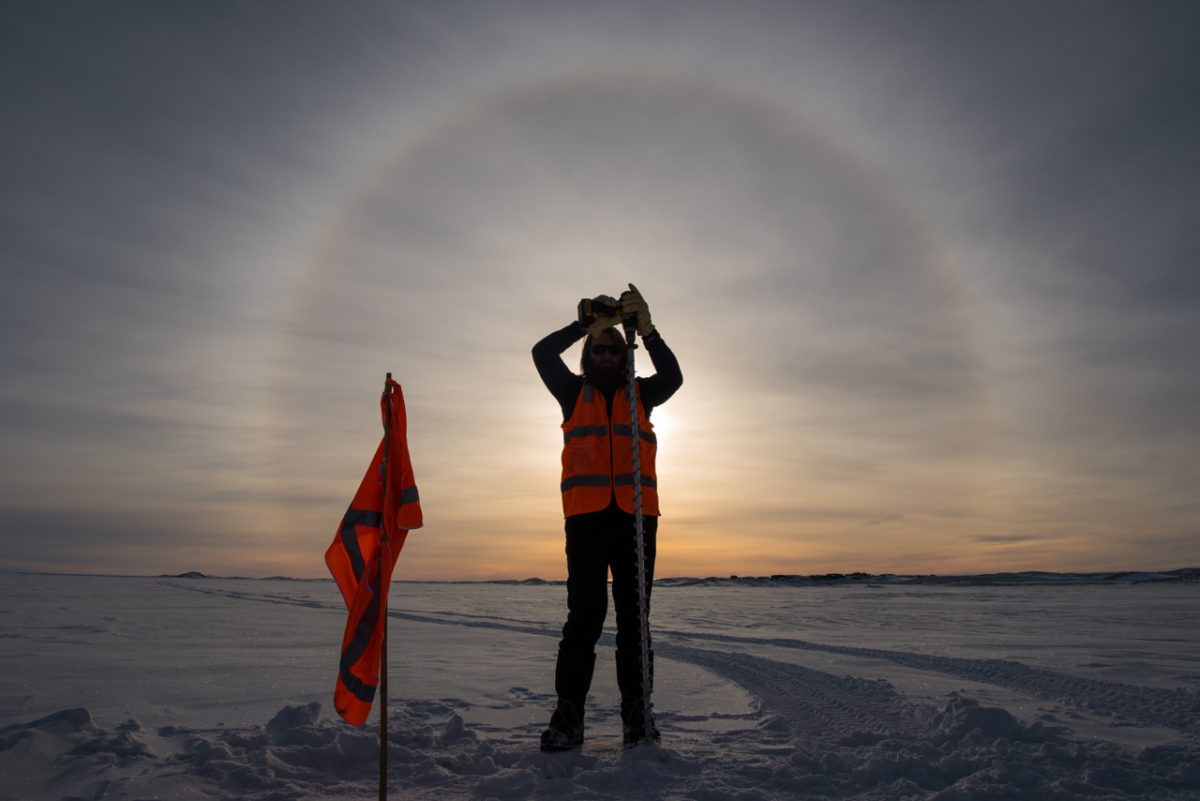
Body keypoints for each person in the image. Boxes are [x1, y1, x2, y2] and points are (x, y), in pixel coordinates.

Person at [531, 283, 683, 751]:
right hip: (587, 523)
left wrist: (649, 332)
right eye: (597, 349)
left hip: (637, 522)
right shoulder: (572, 394)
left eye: (613, 350)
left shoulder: (642, 394)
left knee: (635, 622)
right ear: (587, 355)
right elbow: (541, 353)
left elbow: (674, 377)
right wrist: (582, 325)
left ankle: (638, 720)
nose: (605, 355)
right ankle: (568, 719)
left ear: (624, 357)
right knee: (584, 620)